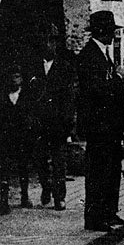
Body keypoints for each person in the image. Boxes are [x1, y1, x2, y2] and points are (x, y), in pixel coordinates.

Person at [77, 11, 124, 232]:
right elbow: (96, 91)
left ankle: (109, 213)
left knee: (111, 171)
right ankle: (95, 218)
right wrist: (118, 78)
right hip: (98, 127)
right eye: (110, 31)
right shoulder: (88, 56)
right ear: (101, 32)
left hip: (110, 126)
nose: (113, 35)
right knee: (98, 172)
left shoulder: (104, 54)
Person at [31, 26, 77, 210]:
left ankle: (59, 197)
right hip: (40, 122)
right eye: (45, 41)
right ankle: (46, 187)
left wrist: (68, 124)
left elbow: (70, 98)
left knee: (59, 161)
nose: (48, 45)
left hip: (58, 122)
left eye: (52, 41)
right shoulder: (33, 67)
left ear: (56, 43)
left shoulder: (64, 68)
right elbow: (29, 95)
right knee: (40, 158)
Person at [0, 65, 38, 214]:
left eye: (17, 77)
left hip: (22, 137)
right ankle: (4, 199)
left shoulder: (26, 96)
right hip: (7, 137)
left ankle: (25, 195)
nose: (14, 80)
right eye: (12, 77)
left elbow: (31, 115)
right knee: (5, 167)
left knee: (23, 166)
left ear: (22, 79)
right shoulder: (4, 96)